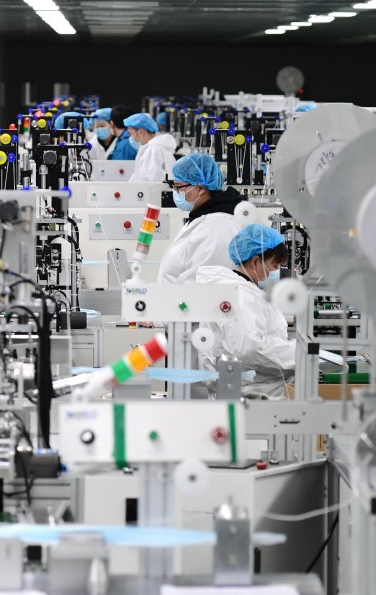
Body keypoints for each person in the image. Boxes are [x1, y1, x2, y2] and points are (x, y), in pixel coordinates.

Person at [196, 225, 295, 398]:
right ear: (256, 262)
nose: (276, 272)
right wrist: (299, 353)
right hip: (251, 395)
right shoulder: (241, 295)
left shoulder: (245, 291)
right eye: (274, 265)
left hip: (253, 391)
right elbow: (249, 349)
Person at [158, 153, 242, 284]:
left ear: (201, 189)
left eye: (179, 187)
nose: (176, 192)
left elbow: (201, 286)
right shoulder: (204, 218)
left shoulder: (217, 229)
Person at [124, 112, 177, 182]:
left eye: (130, 133)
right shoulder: (154, 148)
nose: (130, 138)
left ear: (141, 132)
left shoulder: (153, 150)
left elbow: (152, 181)